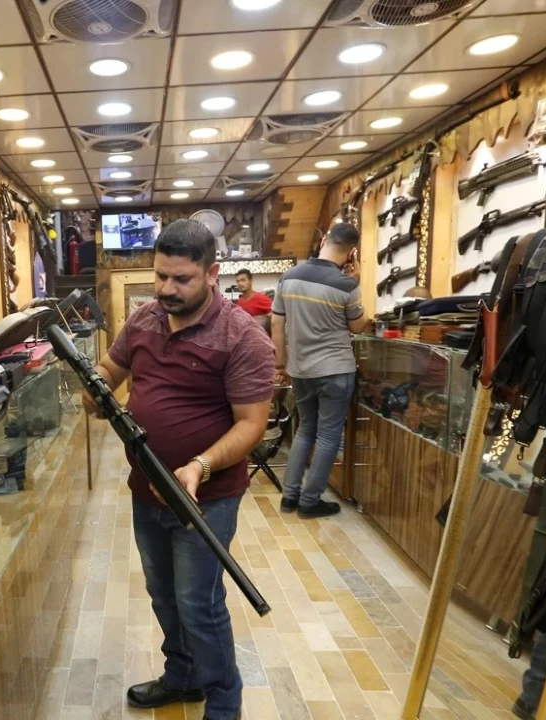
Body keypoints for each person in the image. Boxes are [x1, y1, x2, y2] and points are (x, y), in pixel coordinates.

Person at [83, 219, 275, 720]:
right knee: (164, 596)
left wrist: (200, 466)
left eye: (181, 279)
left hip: (206, 496)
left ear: (212, 273)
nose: (167, 289)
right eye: (160, 276)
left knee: (199, 605)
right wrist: (95, 388)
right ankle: (183, 676)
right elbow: (111, 368)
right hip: (146, 487)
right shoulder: (145, 319)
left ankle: (224, 705)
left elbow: (252, 424)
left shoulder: (242, 336)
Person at [272, 223, 373, 518]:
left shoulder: (289, 276)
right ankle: (310, 501)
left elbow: (277, 322)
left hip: (300, 369)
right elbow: (358, 326)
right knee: (328, 436)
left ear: (324, 240)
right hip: (335, 369)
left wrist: (280, 364)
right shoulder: (346, 285)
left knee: (305, 429)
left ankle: (289, 497)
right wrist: (356, 282)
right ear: (351, 252)